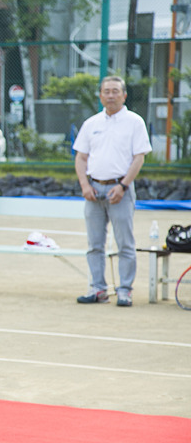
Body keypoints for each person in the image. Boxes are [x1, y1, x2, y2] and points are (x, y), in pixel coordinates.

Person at [73, 75, 151, 307]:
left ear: (124, 95)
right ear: (100, 95)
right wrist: (85, 185)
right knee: (94, 244)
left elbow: (139, 158)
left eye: (115, 91)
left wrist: (124, 185)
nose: (110, 95)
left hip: (121, 190)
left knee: (124, 242)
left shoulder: (134, 122)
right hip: (94, 190)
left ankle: (125, 290)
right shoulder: (91, 123)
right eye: (106, 91)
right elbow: (81, 157)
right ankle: (98, 289)